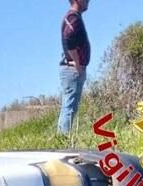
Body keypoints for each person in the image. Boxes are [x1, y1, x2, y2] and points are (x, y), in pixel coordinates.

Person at [57, 0, 91, 137]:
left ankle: (61, 139)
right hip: (72, 70)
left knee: (69, 106)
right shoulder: (72, 17)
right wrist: (77, 64)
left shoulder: (74, 17)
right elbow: (69, 37)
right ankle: (63, 140)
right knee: (69, 107)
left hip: (72, 69)